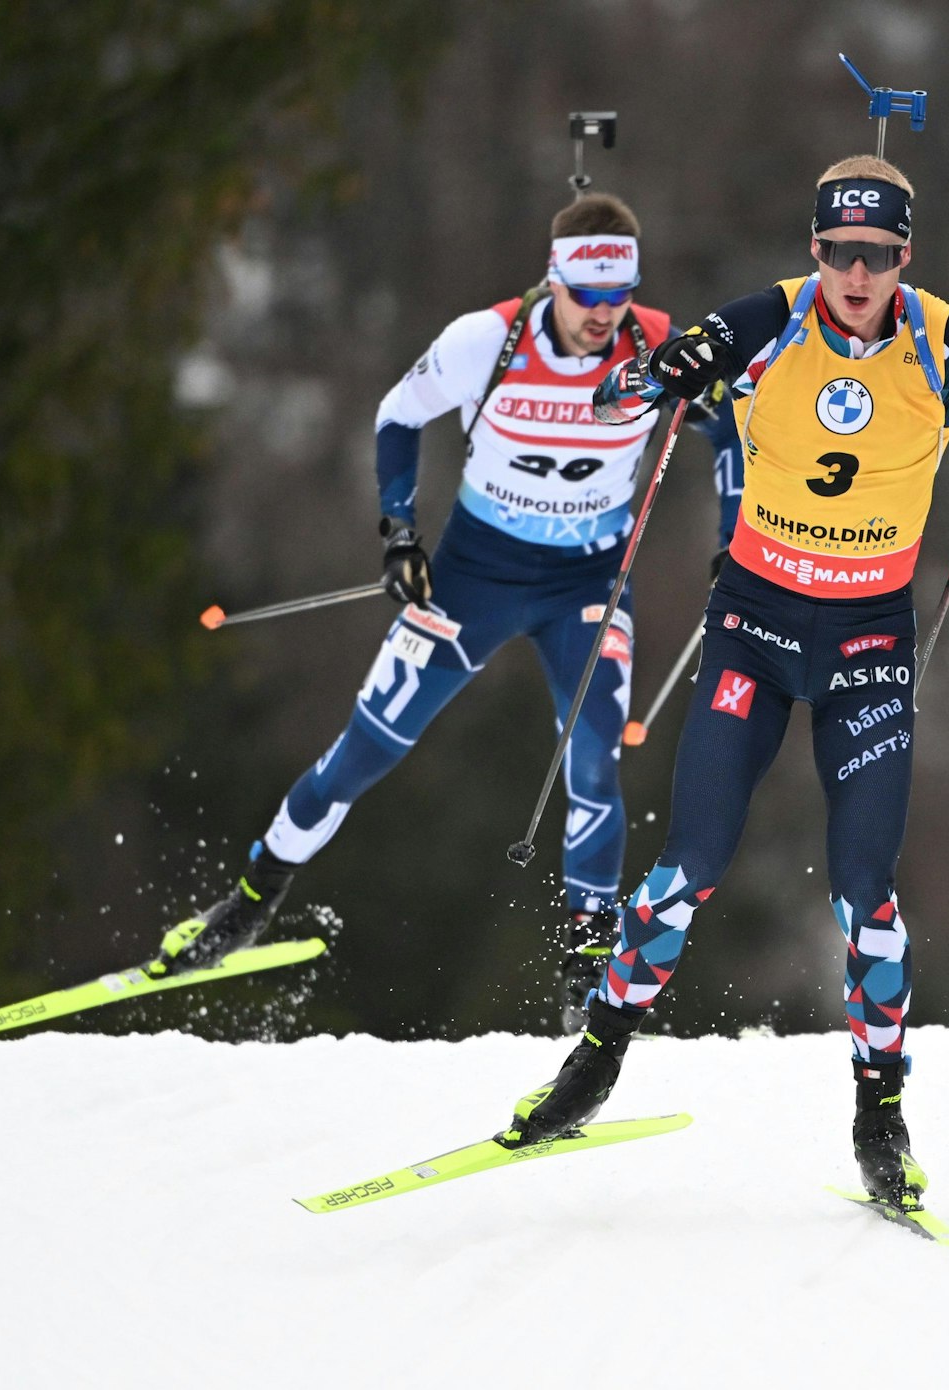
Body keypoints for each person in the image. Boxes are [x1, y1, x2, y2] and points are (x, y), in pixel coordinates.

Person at [496, 155, 949, 1205]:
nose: (855, 275)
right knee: (686, 863)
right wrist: (670, 371)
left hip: (868, 640)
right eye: (837, 253)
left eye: (875, 255)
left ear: (903, 256)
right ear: (813, 248)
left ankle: (880, 1115)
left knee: (866, 895)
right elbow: (608, 406)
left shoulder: (945, 337)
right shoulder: (765, 319)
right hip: (753, 625)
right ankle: (592, 1060)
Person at [146, 193, 743, 1033]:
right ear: (554, 281)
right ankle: (248, 901)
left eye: (619, 297)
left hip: (589, 585)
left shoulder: (657, 347)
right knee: (365, 750)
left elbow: (731, 433)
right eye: (587, 298)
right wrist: (399, 534)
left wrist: (733, 535)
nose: (604, 318)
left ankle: (585, 978)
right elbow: (397, 415)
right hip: (472, 578)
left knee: (595, 768)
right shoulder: (485, 340)